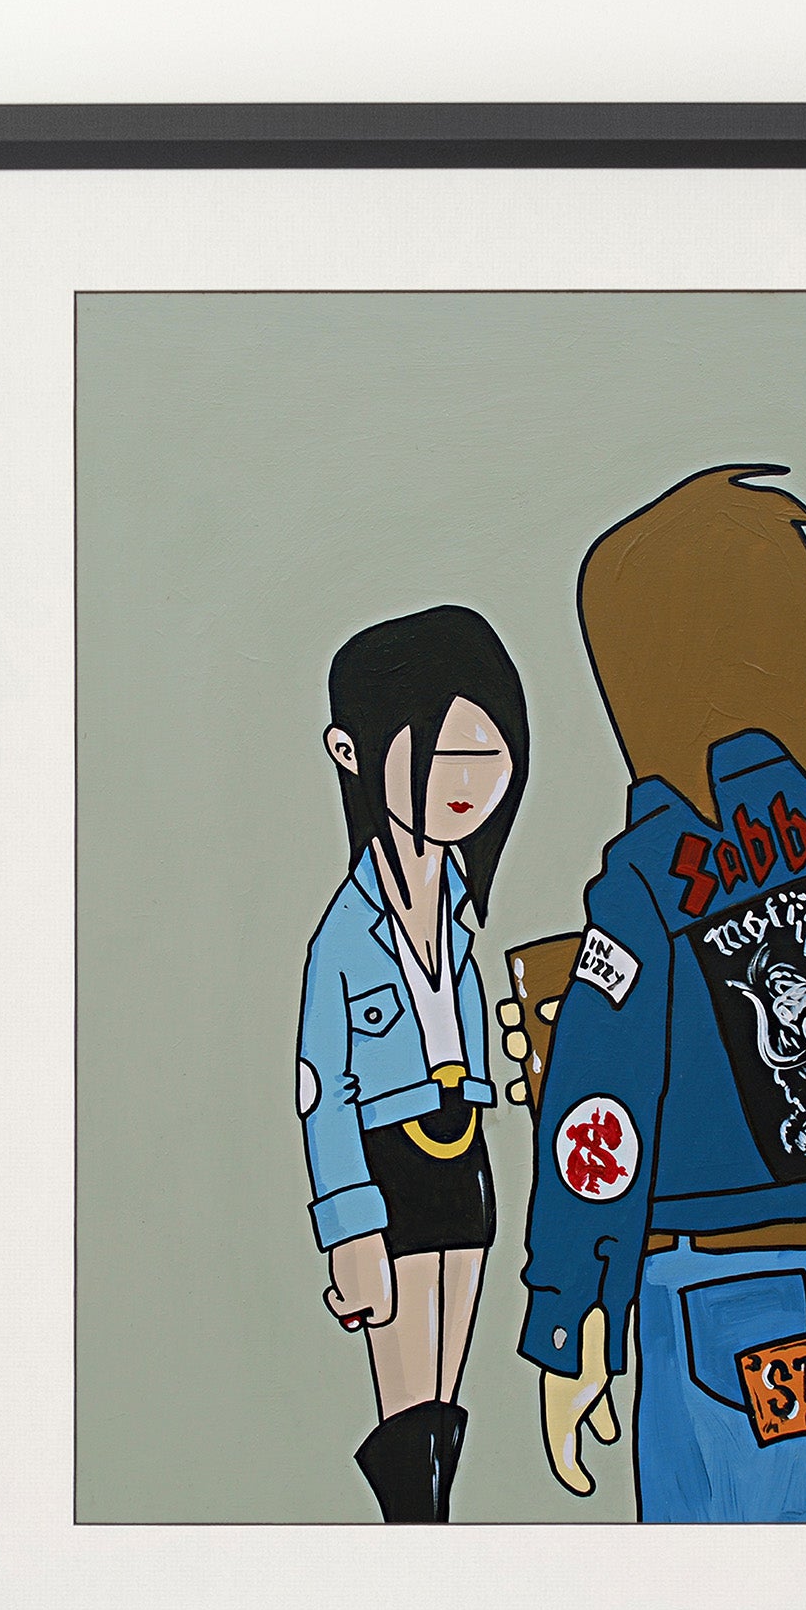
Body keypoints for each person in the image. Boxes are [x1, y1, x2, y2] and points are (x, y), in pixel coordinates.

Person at [518, 468, 806, 1521]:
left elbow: (600, 1111)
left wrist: (571, 1319)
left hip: (724, 1292)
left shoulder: (651, 873)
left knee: (718, 1588)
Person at [295, 606, 528, 1520]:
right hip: (387, 1164)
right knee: (405, 1402)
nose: (466, 782)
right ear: (350, 753)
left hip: (463, 1156)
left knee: (443, 1402)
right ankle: (411, 1552)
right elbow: (322, 1094)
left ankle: (433, 1540)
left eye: (486, 754)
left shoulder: (459, 916)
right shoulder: (343, 935)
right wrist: (350, 1231)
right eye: (439, 754)